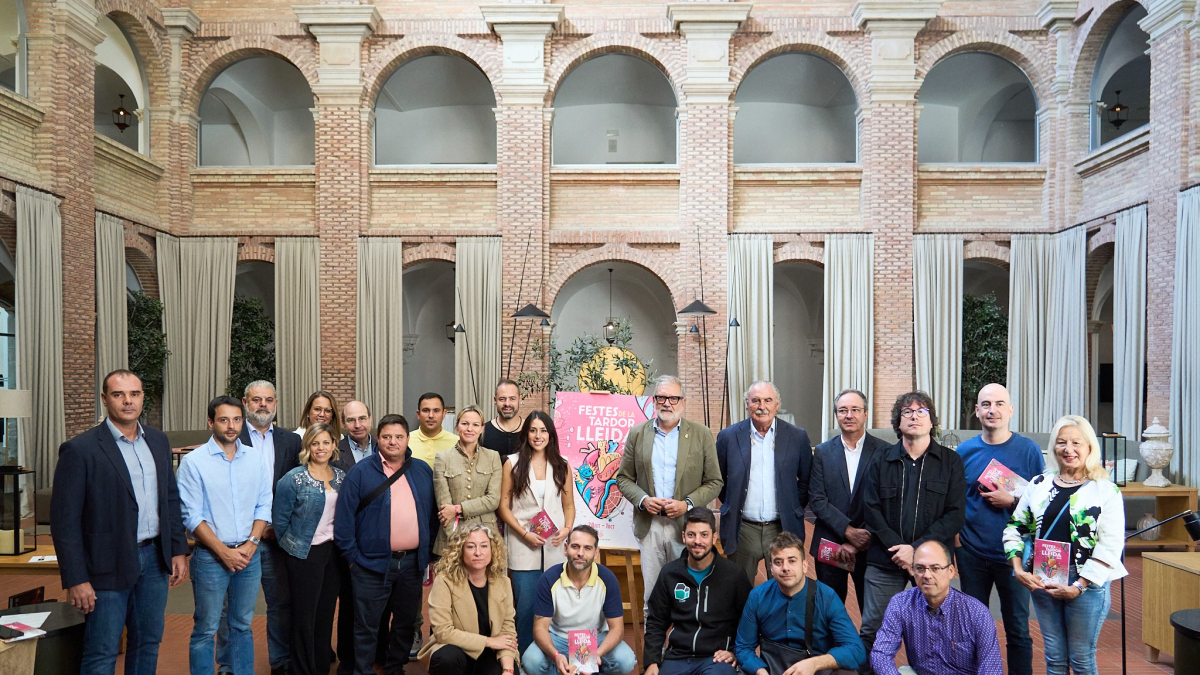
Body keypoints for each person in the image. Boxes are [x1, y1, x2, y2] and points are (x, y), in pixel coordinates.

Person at [50, 369, 190, 675]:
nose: (128, 401)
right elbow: (65, 522)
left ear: (142, 398)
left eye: (135, 394)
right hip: (104, 565)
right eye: (118, 394)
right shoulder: (80, 449)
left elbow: (169, 498)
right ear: (104, 399)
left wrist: (178, 549)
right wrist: (76, 578)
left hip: (154, 560)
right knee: (102, 650)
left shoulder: (157, 441)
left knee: (148, 642)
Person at [1003, 415, 1126, 675]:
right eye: (1061, 442)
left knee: (1081, 660)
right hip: (1044, 578)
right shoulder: (1039, 484)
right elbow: (1016, 527)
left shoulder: (1105, 490)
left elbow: (1111, 546)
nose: (1068, 449)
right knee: (1055, 658)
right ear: (1053, 447)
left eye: (1076, 443)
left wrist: (1078, 586)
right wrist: (1017, 569)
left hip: (1087, 583)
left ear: (1090, 447)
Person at [858, 392, 965, 674]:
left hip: (934, 565)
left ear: (932, 421)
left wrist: (916, 551)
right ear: (898, 421)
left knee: (943, 630)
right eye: (907, 412)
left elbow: (955, 515)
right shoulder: (881, 459)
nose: (914, 416)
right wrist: (901, 550)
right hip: (886, 560)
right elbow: (871, 509)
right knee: (873, 629)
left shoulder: (950, 462)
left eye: (922, 411)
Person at [335, 414, 439, 675]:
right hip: (370, 564)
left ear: (407, 439)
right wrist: (354, 559)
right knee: (367, 625)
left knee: (405, 623)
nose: (393, 442)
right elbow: (344, 520)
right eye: (387, 437)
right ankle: (363, 670)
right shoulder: (360, 473)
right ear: (378, 439)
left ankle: (395, 668)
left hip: (412, 565)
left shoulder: (422, 471)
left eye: (399, 437)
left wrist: (426, 554)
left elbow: (431, 515)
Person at [177, 396, 273, 675]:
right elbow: (192, 516)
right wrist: (224, 551)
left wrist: (252, 543)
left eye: (236, 419)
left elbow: (263, 504)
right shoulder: (194, 463)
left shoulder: (254, 459)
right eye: (223, 419)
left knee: (242, 624)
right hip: (210, 559)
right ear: (210, 422)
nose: (231, 426)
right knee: (206, 628)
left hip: (248, 556)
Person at [954, 383, 1043, 675]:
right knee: (974, 628)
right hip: (972, 553)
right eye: (987, 404)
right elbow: (955, 501)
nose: (993, 410)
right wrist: (958, 545)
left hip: (1015, 556)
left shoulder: (1028, 450)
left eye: (1000, 404)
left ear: (1011, 410)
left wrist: (1013, 499)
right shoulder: (965, 451)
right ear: (977, 411)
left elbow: (1042, 504)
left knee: (1017, 628)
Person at [616, 375, 723, 615]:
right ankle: (655, 652)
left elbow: (715, 482)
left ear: (683, 402)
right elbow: (623, 478)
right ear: (654, 401)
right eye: (662, 397)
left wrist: (687, 504)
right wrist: (643, 500)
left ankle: (685, 649)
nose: (667, 403)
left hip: (686, 526)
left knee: (687, 595)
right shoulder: (637, 434)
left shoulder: (701, 434)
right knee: (653, 598)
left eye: (673, 398)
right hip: (650, 525)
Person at [219, 380, 301, 675]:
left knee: (280, 604)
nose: (262, 405)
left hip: (276, 539)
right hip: (238, 540)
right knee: (233, 608)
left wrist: (277, 527)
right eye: (256, 400)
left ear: (276, 404)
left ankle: (280, 661)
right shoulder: (231, 436)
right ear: (245, 402)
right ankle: (228, 665)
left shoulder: (291, 441)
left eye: (268, 400)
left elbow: (296, 490)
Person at [716, 380, 813, 584]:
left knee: (786, 590)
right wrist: (733, 503)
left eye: (768, 400)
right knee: (738, 592)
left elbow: (806, 480)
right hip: (742, 528)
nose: (762, 406)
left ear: (777, 404)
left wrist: (792, 506)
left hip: (782, 527)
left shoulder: (797, 436)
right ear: (747, 404)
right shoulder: (727, 437)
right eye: (756, 401)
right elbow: (719, 480)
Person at [497, 410, 575, 655]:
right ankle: (524, 660)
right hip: (523, 545)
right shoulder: (512, 462)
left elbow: (569, 505)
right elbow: (503, 505)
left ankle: (550, 658)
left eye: (543, 430)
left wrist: (567, 529)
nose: (538, 435)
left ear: (550, 434)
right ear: (526, 433)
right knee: (526, 608)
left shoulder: (562, 465)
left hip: (554, 545)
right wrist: (523, 533)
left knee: (555, 606)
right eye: (533, 430)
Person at [734, 532, 865, 675]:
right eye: (778, 562)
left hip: (815, 669)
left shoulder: (826, 597)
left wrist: (815, 664)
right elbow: (743, 647)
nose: (785, 568)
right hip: (771, 669)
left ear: (804, 565)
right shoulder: (757, 596)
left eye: (792, 561)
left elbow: (856, 650)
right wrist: (760, 671)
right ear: (771, 568)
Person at [273, 423, 346, 675]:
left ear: (334, 445)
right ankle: (302, 669)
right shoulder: (293, 478)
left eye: (326, 442)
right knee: (304, 616)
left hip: (333, 554)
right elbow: (279, 522)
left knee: (325, 614)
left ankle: (319, 666)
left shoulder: (340, 477)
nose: (321, 448)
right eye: (315, 443)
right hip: (304, 555)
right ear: (308, 447)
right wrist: (293, 549)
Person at [643, 508, 751, 675]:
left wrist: (735, 651)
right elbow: (656, 621)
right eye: (692, 534)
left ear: (714, 537)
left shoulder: (734, 575)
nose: (697, 541)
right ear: (683, 536)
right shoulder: (670, 573)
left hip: (716, 658)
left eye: (704, 535)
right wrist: (652, 661)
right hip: (678, 656)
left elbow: (749, 621)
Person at [869, 540, 1002, 675]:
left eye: (935, 568)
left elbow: (991, 668)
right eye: (920, 568)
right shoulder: (901, 604)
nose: (927, 575)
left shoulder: (976, 612)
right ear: (913, 571)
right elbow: (881, 654)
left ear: (951, 571)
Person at [808, 388, 887, 612]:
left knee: (872, 615)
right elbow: (817, 499)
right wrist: (848, 532)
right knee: (828, 613)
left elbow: (886, 501)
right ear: (836, 415)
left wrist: (860, 538)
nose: (849, 415)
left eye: (855, 409)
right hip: (831, 545)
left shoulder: (884, 452)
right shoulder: (822, 452)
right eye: (843, 410)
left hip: (870, 545)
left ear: (865, 414)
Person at [520, 526, 638, 675]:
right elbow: (540, 629)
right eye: (575, 546)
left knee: (626, 660)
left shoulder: (608, 579)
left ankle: (588, 670)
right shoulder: (549, 578)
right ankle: (564, 668)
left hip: (596, 637)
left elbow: (617, 629)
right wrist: (556, 656)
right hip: (559, 638)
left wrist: (597, 655)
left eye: (587, 548)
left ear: (596, 553)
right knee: (531, 661)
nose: (580, 553)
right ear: (565, 548)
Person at [418, 525, 519, 675]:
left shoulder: (503, 582)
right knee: (446, 659)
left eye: (484, 546)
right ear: (460, 551)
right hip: (457, 650)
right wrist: (489, 641)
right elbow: (443, 632)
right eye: (471, 547)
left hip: (490, 653)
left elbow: (508, 631)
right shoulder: (444, 581)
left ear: (492, 550)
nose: (478, 553)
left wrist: (508, 670)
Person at [333, 400, 375, 674]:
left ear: (370, 419)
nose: (357, 424)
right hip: (347, 536)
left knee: (377, 602)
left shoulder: (384, 445)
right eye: (351, 420)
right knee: (349, 600)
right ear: (343, 423)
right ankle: (348, 658)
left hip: (378, 535)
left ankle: (376, 654)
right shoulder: (334, 450)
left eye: (361, 418)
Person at [433, 405, 503, 556]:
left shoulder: (493, 457)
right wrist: (458, 543)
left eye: (475, 425)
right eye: (465, 424)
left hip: (487, 537)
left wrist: (458, 509)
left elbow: (493, 500)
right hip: (451, 537)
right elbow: (445, 509)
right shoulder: (442, 458)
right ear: (457, 426)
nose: (469, 429)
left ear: (482, 428)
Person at [410, 392, 458, 468]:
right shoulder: (406, 441)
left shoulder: (457, 443)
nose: (431, 415)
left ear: (444, 414)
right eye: (426, 410)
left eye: (436, 411)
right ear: (418, 414)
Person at [482, 379, 524, 459]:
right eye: (502, 399)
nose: (507, 404)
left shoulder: (530, 430)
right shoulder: (483, 431)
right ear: (495, 400)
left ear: (519, 399)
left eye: (512, 399)